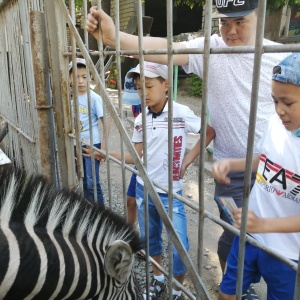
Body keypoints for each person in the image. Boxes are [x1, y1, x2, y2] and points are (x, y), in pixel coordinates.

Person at [85, 0, 289, 283]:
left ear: (259, 16)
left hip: (276, 169)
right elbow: (166, 49)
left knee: (277, 242)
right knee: (232, 235)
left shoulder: (282, 56)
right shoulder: (211, 48)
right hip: (229, 171)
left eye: (240, 22)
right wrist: (114, 38)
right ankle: (238, 286)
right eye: (224, 22)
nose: (230, 31)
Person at [88, 61, 215, 299]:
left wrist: (187, 160)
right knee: (150, 240)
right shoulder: (140, 120)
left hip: (172, 194)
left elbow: (208, 132)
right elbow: (136, 157)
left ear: (165, 85)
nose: (142, 93)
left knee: (180, 249)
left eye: (147, 86)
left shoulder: (180, 113)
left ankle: (178, 290)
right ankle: (157, 280)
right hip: (145, 191)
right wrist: (108, 154)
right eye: (138, 87)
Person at [212, 52, 300, 300]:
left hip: (287, 252)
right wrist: (233, 164)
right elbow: (265, 160)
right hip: (250, 236)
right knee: (226, 294)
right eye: (274, 101)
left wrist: (265, 225)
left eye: (288, 103)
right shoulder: (275, 122)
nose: (280, 110)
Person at [69, 58, 108, 206]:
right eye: (76, 76)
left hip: (91, 143)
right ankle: (89, 210)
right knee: (82, 178)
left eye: (84, 77)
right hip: (75, 143)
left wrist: (102, 149)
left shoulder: (94, 98)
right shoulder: (71, 98)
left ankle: (100, 213)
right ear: (70, 78)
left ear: (90, 77)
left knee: (92, 181)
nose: (80, 81)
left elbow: (106, 124)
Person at [122, 70, 142, 226]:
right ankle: (129, 234)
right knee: (131, 200)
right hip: (141, 161)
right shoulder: (139, 113)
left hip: (157, 167)